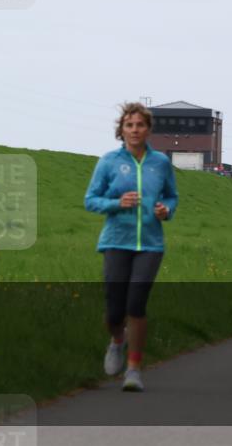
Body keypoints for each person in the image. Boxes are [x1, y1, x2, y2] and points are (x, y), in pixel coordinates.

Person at [84, 102, 179, 392]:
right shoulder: (109, 161)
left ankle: (134, 369)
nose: (135, 130)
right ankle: (117, 341)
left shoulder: (161, 162)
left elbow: (172, 196)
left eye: (140, 125)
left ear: (148, 129)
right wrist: (116, 203)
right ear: (121, 130)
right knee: (114, 311)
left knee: (136, 305)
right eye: (129, 125)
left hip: (150, 244)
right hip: (116, 240)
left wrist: (166, 210)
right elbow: (91, 199)